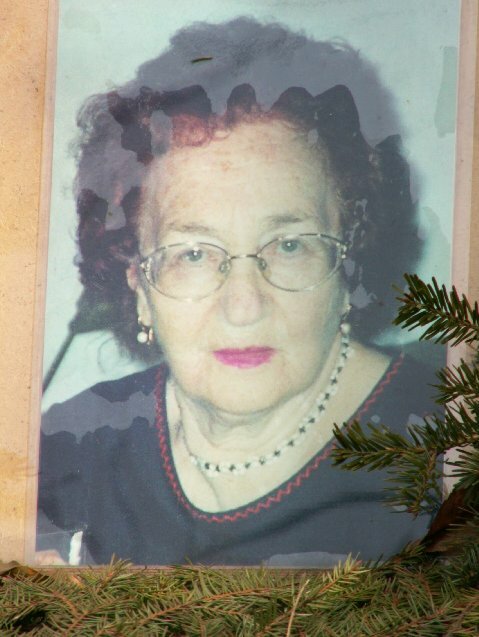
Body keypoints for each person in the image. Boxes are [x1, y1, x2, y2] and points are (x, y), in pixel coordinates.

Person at [37, 18, 438, 566]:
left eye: (290, 245)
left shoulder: (443, 441)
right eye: (193, 254)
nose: (244, 307)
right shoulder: (68, 446)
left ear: (349, 265)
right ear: (139, 287)